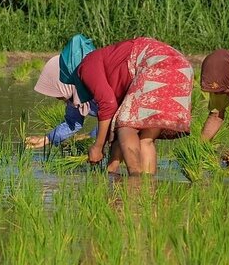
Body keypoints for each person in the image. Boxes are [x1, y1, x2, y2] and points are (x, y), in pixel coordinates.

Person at [59, 34, 193, 176]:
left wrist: (98, 147)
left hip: (157, 63)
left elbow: (108, 105)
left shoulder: (86, 65)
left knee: (127, 127)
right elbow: (116, 125)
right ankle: (148, 187)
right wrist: (111, 169)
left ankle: (135, 178)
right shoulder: (111, 63)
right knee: (145, 139)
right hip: (182, 68)